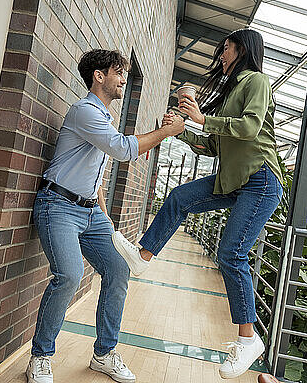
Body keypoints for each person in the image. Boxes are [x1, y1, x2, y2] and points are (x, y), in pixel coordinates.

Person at [112, 28, 284, 379]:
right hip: (235, 179)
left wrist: (202, 118)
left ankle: (249, 340)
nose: (221, 55)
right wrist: (182, 130)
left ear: (243, 51)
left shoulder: (257, 81)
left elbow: (249, 128)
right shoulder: (233, 91)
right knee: (179, 198)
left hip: (261, 180)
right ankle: (143, 258)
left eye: (227, 49)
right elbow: (215, 146)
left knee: (231, 254)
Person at [26, 49, 185, 383]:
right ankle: (40, 357)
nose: (124, 79)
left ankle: (104, 354)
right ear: (98, 76)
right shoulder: (85, 111)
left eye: (126, 73)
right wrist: (166, 133)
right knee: (68, 276)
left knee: (118, 269)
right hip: (58, 207)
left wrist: (102, 214)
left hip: (88, 211)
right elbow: (123, 150)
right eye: (118, 72)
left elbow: (95, 170)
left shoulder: (103, 119)